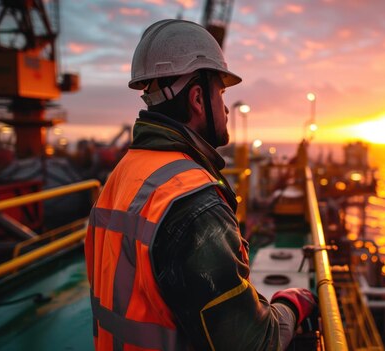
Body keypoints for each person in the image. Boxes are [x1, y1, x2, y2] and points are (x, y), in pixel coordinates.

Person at [85, 19, 316, 351]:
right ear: (197, 99)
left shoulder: (121, 176)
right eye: (221, 92)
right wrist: (292, 306)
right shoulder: (193, 202)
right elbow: (254, 344)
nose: (224, 107)